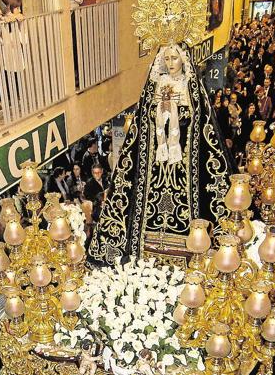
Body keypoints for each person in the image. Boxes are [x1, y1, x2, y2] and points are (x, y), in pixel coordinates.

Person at [89, 44, 233, 266]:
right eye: (167, 59)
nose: (171, 63)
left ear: (183, 60)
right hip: (154, 165)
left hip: (184, 164)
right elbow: (142, 127)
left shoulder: (189, 87)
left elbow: (201, 124)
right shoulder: (155, 86)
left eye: (175, 58)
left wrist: (179, 112)